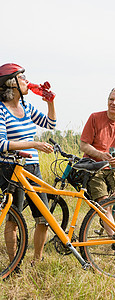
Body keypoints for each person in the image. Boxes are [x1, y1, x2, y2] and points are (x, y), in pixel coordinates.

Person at [0, 63, 56, 263]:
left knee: (44, 217)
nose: (27, 81)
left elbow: (50, 124)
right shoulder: (1, 110)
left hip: (33, 168)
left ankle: (37, 259)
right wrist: (34, 144)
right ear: (11, 84)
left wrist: (50, 102)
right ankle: (13, 264)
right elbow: (2, 143)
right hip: (11, 169)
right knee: (14, 219)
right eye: (22, 77)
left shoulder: (26, 106)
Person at [80, 87, 115, 249]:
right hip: (94, 168)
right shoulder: (95, 118)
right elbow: (84, 145)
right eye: (111, 99)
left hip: (113, 169)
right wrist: (100, 154)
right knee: (105, 204)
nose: (113, 103)